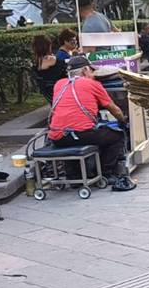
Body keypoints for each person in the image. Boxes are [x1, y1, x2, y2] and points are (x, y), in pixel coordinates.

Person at [48, 55, 135, 191]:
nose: (93, 74)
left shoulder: (59, 84)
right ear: (85, 70)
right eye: (91, 71)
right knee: (116, 136)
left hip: (57, 136)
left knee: (78, 136)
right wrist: (123, 120)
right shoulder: (92, 84)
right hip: (81, 134)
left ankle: (74, 176)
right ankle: (105, 173)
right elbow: (114, 109)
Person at [31, 34, 67, 103]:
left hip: (51, 98)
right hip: (64, 94)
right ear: (49, 46)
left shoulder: (35, 67)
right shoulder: (58, 62)